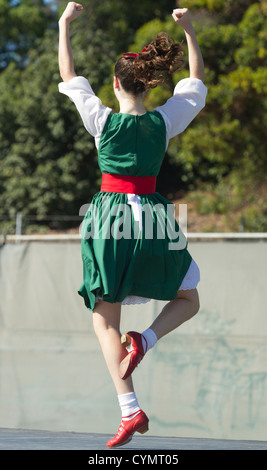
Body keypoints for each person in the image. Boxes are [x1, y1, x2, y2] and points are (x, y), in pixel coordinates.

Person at [58, 2, 207, 448]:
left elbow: (68, 76)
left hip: (110, 218)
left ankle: (129, 407)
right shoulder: (164, 121)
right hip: (156, 217)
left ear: (116, 83)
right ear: (147, 84)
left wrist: (64, 23)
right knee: (189, 299)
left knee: (104, 318)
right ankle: (145, 340)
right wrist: (190, 32)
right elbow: (195, 84)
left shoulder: (102, 120)